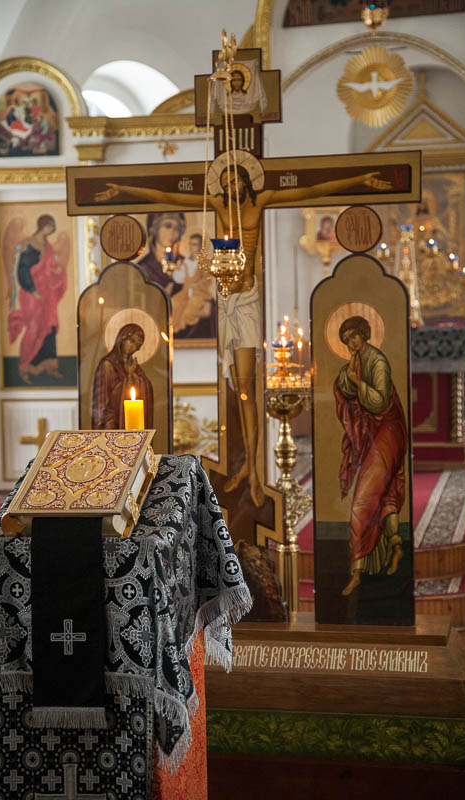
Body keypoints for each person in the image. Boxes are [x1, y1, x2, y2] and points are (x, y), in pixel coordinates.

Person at [93, 164, 392, 508]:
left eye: (235, 180)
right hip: (225, 300)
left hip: (246, 300)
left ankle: (252, 467)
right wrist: (122, 189)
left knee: (247, 388)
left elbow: (311, 190)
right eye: (225, 182)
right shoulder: (216, 205)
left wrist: (360, 179)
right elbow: (165, 195)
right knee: (234, 386)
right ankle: (245, 464)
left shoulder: (260, 200)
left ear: (246, 181)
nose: (231, 187)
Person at [334, 315, 407, 596]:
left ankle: (356, 573)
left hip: (389, 430)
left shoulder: (377, 361)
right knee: (386, 493)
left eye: (354, 336)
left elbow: (378, 401)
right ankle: (396, 546)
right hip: (376, 433)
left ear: (364, 334)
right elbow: (344, 387)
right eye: (346, 340)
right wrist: (348, 377)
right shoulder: (355, 362)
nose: (351, 343)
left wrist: (357, 382)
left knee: (363, 500)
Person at [7, 214, 66, 383]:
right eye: (48, 227)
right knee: (34, 327)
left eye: (52, 228)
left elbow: (50, 266)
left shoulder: (47, 246)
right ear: (42, 226)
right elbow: (22, 270)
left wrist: (56, 270)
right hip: (32, 294)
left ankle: (50, 365)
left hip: (47, 293)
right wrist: (33, 290)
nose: (50, 230)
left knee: (49, 327)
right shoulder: (29, 245)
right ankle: (25, 366)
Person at [91, 323, 154, 429]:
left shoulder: (134, 366)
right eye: (131, 341)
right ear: (122, 338)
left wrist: (134, 376)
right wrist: (129, 376)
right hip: (112, 421)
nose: (133, 347)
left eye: (137, 345)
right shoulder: (107, 364)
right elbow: (103, 400)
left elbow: (146, 386)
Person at [171, 233, 217, 339]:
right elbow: (179, 278)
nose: (192, 247)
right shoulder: (184, 262)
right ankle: (175, 330)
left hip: (199, 293)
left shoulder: (205, 262)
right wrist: (174, 270)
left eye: (195, 244)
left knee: (190, 309)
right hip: (185, 292)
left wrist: (195, 286)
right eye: (191, 244)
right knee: (174, 303)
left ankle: (182, 329)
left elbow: (207, 280)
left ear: (200, 246)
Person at [137, 212, 186, 295]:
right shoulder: (143, 267)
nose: (172, 232)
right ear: (154, 229)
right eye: (168, 226)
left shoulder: (184, 264)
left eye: (177, 228)